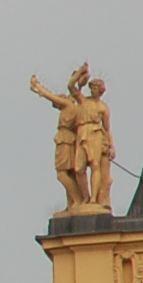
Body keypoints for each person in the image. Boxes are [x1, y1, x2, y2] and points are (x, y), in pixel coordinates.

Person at [30, 65, 114, 210]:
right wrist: (81, 72)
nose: (94, 90)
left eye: (96, 88)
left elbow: (107, 128)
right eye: (92, 87)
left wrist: (112, 146)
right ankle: (85, 197)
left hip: (95, 133)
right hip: (82, 132)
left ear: (101, 91)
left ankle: (93, 199)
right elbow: (71, 86)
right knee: (79, 169)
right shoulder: (83, 101)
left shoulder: (103, 107)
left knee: (95, 165)